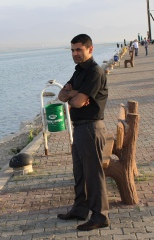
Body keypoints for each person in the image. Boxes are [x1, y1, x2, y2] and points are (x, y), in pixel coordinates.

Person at [57, 34, 110, 231]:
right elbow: (61, 95)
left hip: (90, 128)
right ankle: (80, 209)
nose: (75, 53)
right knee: (79, 174)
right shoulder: (78, 71)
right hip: (79, 128)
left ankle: (100, 216)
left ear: (90, 49)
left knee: (93, 175)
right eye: (72, 50)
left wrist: (74, 96)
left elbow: (78, 103)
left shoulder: (94, 72)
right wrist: (73, 93)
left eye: (79, 49)